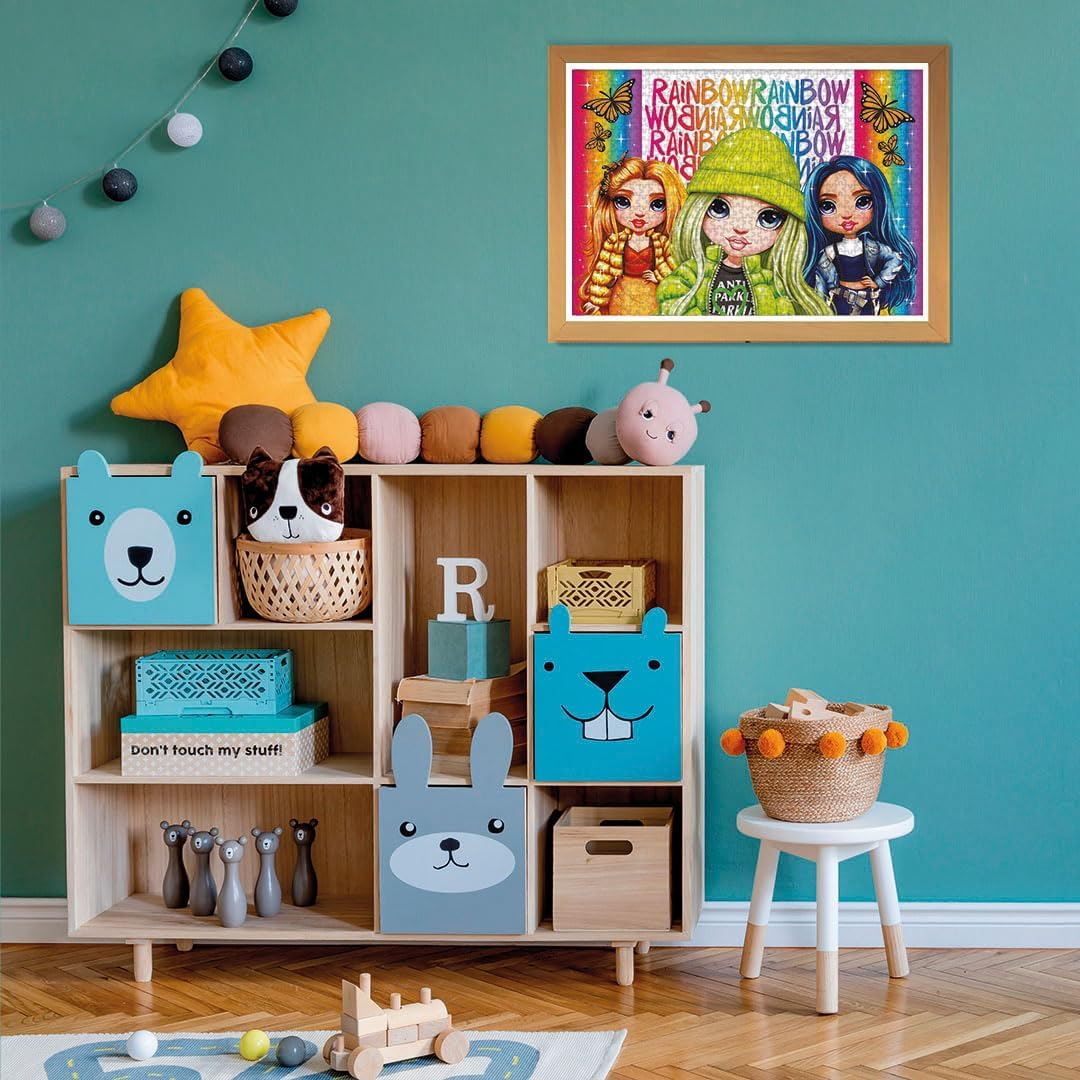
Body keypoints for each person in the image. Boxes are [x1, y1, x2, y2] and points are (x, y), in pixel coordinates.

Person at [658, 128, 829, 317]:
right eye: (720, 208)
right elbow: (673, 305)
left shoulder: (769, 282)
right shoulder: (692, 273)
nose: (740, 228)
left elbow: (781, 318)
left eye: (768, 218)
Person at [803, 154, 917, 315]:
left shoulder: (873, 247)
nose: (846, 214)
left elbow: (896, 259)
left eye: (862, 201)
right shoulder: (830, 252)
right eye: (828, 206)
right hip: (839, 300)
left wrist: (879, 282)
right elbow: (820, 280)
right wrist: (820, 307)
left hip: (867, 301)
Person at [579, 156, 686, 316]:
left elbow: (675, 265)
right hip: (622, 295)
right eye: (624, 201)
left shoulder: (661, 241)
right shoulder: (615, 242)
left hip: (652, 293)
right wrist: (596, 302)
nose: (640, 213)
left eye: (657, 204)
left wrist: (658, 275)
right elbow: (602, 272)